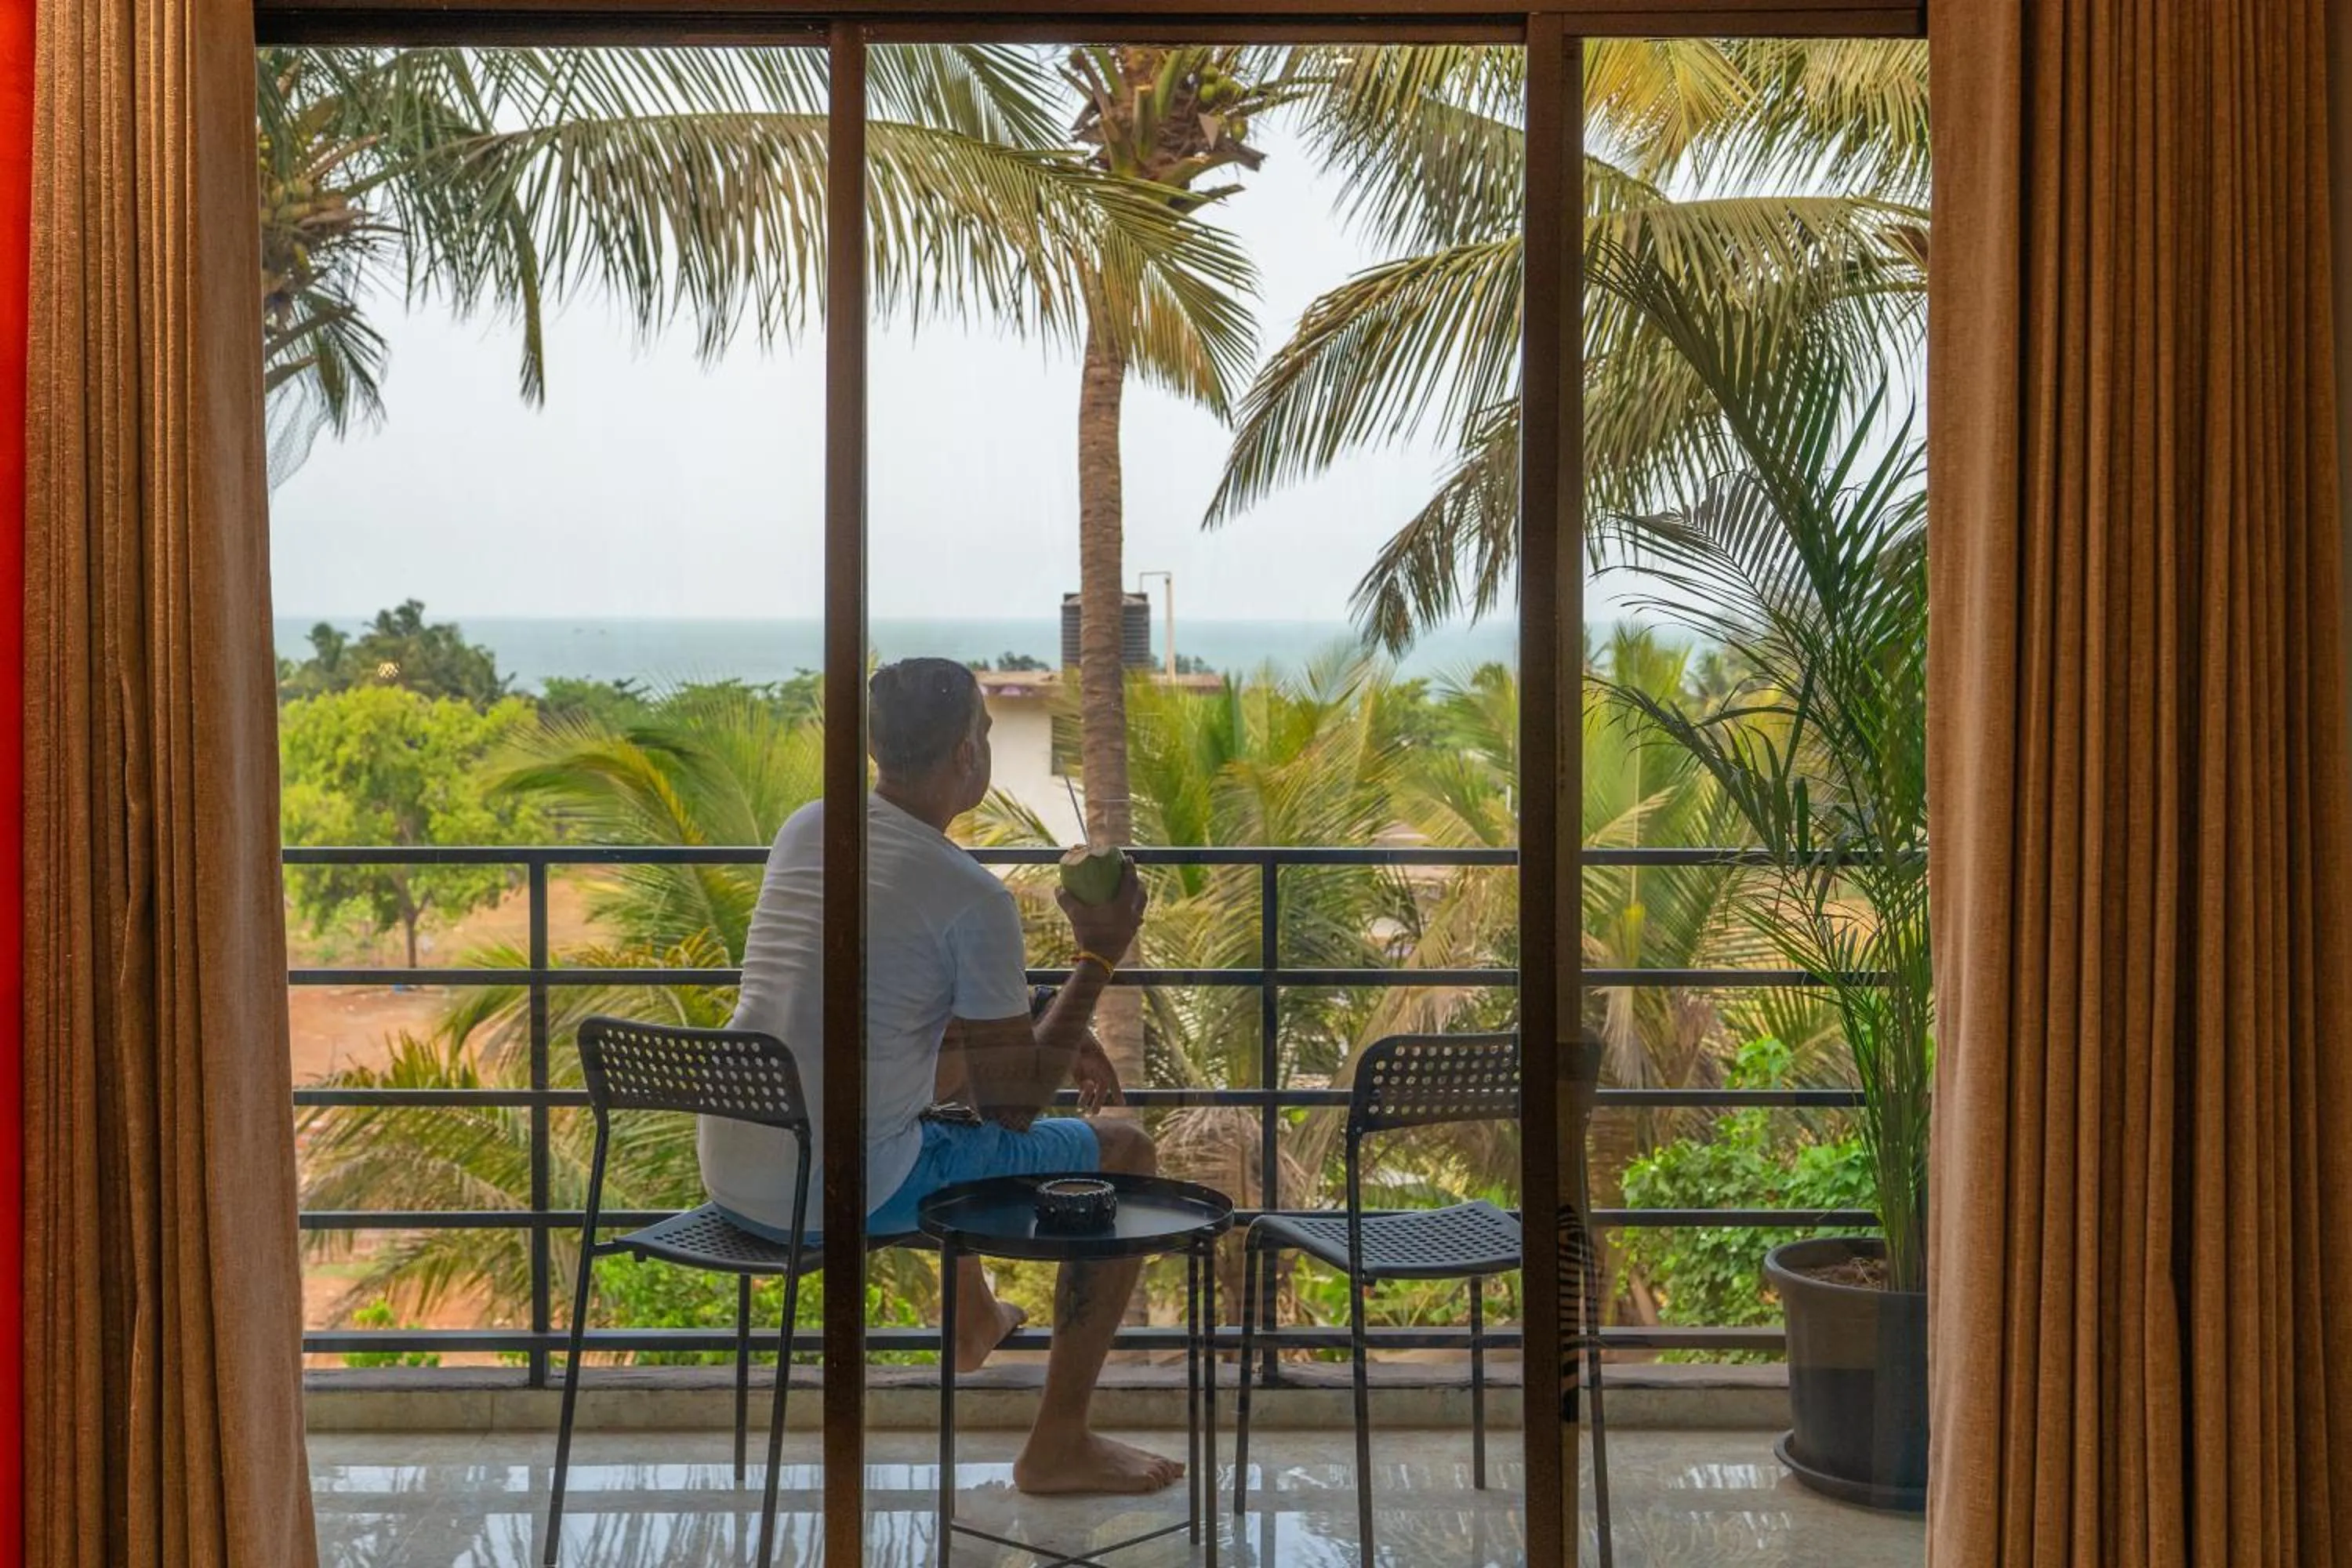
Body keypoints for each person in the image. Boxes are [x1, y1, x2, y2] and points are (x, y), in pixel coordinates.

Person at [697, 656, 1174, 1496]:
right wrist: (1096, 954)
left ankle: (973, 1319)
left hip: (739, 1158)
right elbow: (1018, 1105)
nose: (986, 745)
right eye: (986, 731)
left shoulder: (809, 826)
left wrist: (1035, 1026)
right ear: (965, 755)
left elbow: (895, 1013)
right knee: (1127, 1148)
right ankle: (1058, 1443)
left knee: (934, 1094)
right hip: (838, 1188)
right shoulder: (970, 895)